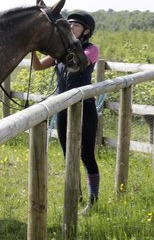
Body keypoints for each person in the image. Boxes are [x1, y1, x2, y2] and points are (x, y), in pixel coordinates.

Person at [30, 11, 102, 210]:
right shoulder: (60, 51)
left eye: (75, 26)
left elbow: (80, 63)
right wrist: (33, 48)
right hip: (63, 107)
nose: (71, 28)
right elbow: (37, 67)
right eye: (68, 25)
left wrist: (59, 51)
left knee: (86, 155)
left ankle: (93, 200)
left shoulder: (91, 49)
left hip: (84, 107)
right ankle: (75, 197)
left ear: (86, 31)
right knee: (67, 155)